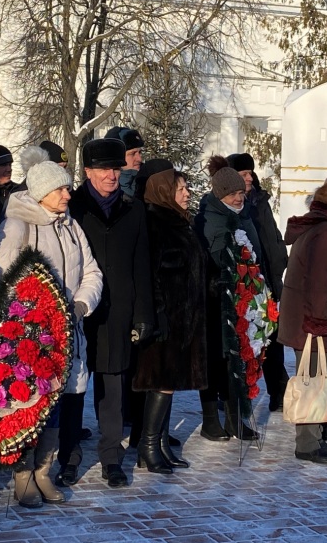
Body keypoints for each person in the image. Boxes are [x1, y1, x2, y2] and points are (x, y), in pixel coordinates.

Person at [0, 146, 102, 505]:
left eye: (67, 188)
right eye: (61, 189)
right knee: (29, 404)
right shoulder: (17, 225)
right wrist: (23, 311)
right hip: (30, 339)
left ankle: (43, 473)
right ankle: (22, 476)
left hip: (68, 335)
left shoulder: (71, 226)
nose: (68, 194)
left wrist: (81, 304)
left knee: (56, 407)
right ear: (41, 193)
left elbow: (92, 271)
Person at [68, 137, 155, 488]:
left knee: (113, 386)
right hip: (77, 309)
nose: (111, 175)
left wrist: (143, 314)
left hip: (118, 310)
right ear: (88, 171)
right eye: (104, 169)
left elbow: (142, 266)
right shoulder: (71, 206)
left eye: (116, 169)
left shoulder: (133, 209)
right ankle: (68, 456)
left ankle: (111, 457)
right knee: (72, 388)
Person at [133, 167, 207, 473]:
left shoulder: (180, 222)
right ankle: (147, 446)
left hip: (183, 319)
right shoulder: (156, 224)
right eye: (180, 189)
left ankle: (160, 444)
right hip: (165, 320)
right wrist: (160, 315)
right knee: (161, 383)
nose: (187, 193)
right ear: (165, 193)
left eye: (187, 188)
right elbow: (150, 276)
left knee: (170, 383)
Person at [278, 178, 327, 465]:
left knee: (316, 378)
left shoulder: (323, 228)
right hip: (313, 322)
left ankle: (315, 437)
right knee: (312, 380)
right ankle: (307, 445)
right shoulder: (326, 232)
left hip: (315, 319)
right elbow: (320, 281)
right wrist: (318, 320)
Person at [195, 163, 262, 441]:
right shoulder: (209, 218)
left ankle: (236, 419)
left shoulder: (244, 216)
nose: (238, 198)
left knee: (238, 360)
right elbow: (207, 260)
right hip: (213, 301)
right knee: (214, 362)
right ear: (219, 194)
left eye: (241, 193)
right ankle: (211, 420)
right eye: (232, 194)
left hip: (242, 301)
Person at [227, 152, 289, 411]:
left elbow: (272, 235)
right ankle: (236, 396)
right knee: (248, 339)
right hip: (249, 282)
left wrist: (279, 259)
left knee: (273, 338)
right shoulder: (235, 207)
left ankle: (279, 391)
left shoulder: (260, 201)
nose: (249, 177)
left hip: (271, 279)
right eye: (243, 174)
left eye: (251, 173)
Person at [103, 126, 144, 197]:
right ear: (116, 157)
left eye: (140, 152)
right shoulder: (101, 192)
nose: (139, 159)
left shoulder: (149, 184)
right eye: (132, 154)